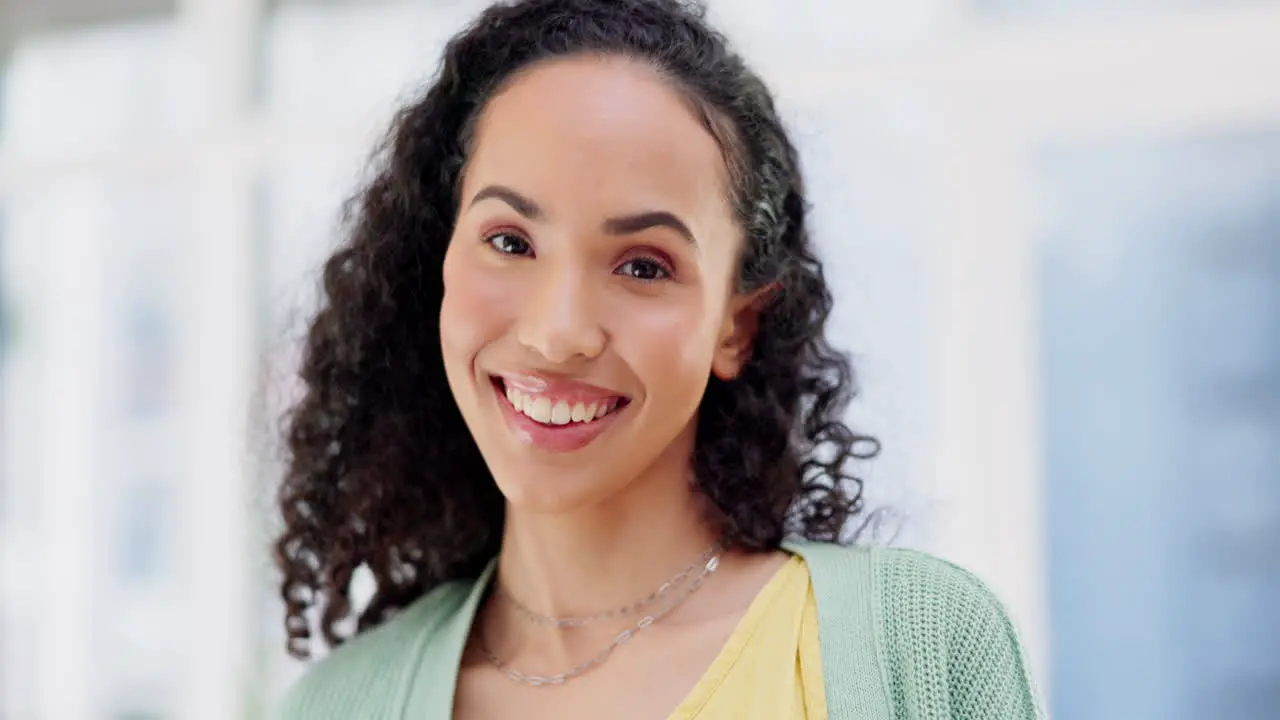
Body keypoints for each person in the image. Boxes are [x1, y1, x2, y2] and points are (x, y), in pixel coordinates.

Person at [274, 0, 1043, 717]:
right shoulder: (337, 705)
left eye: (643, 265)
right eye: (510, 242)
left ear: (735, 326)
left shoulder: (922, 648)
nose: (558, 333)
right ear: (439, 262)